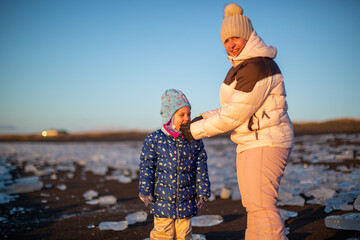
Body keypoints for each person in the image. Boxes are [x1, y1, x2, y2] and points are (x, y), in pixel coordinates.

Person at [180, 3, 294, 240]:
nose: (231, 44)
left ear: (248, 36)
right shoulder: (242, 66)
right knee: (253, 205)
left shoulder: (256, 66)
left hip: (265, 141)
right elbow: (231, 108)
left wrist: (195, 131)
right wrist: (202, 118)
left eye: (236, 38)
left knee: (261, 204)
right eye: (226, 40)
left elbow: (235, 115)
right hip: (250, 142)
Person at [139, 89, 211, 240]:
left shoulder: (193, 139)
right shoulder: (155, 139)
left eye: (189, 114)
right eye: (181, 115)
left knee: (184, 235)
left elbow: (201, 167)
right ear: (169, 116)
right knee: (163, 234)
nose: (187, 118)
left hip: (186, 200)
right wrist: (145, 190)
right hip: (162, 201)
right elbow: (147, 166)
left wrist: (203, 190)